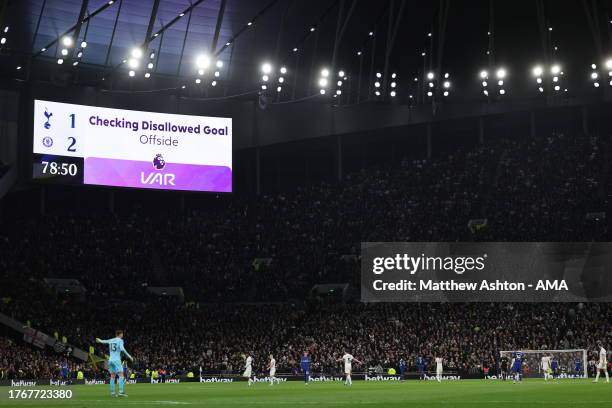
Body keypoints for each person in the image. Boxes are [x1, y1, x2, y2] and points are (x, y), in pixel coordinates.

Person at [96, 330, 134, 397]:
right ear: (120, 334)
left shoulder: (111, 340)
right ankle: (121, 392)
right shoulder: (120, 340)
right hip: (116, 360)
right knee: (121, 375)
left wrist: (99, 340)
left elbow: (103, 341)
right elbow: (122, 349)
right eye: (122, 334)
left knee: (112, 376)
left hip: (110, 360)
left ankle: (113, 393)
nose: (123, 335)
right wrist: (129, 356)